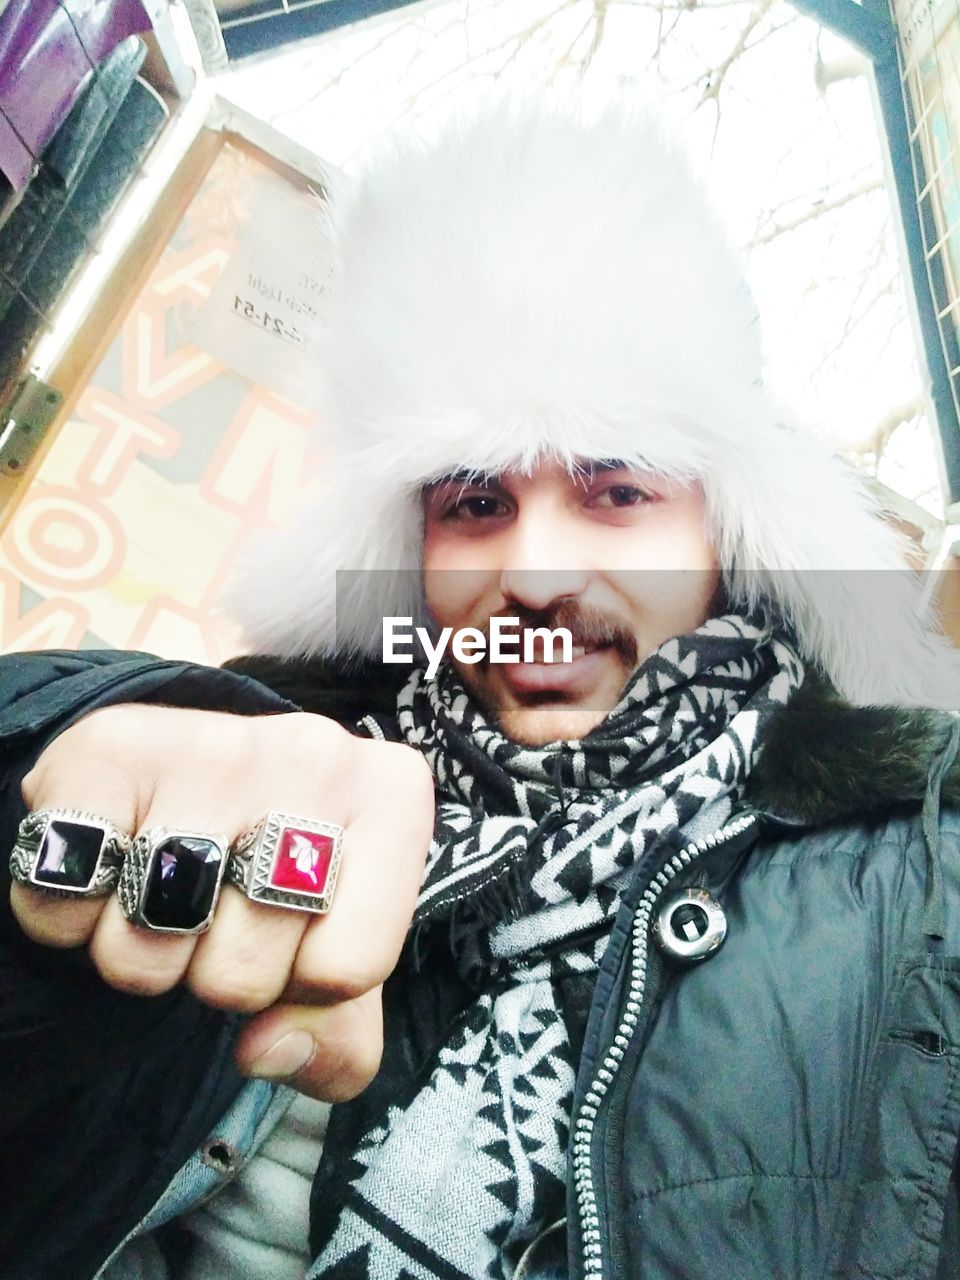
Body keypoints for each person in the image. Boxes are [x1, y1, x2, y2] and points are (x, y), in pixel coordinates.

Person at [3, 96, 960, 1280]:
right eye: (474, 501)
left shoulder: (912, 877)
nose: (540, 574)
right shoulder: (282, 749)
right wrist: (56, 762)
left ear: (727, 528)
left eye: (621, 492)